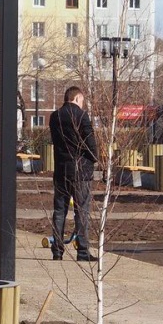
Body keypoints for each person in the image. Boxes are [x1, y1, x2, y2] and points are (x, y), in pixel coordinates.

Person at [50, 86, 99, 262]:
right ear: (77, 98)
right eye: (82, 101)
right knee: (82, 212)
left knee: (59, 211)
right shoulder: (81, 116)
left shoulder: (55, 117)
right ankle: (83, 251)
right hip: (81, 172)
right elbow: (90, 142)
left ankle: (57, 251)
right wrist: (94, 158)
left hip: (61, 170)